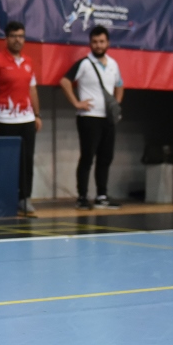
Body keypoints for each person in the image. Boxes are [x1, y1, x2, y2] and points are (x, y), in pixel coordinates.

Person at [58, 26, 124, 211]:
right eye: (95, 42)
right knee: (87, 157)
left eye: (102, 41)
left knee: (106, 157)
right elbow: (64, 81)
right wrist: (76, 103)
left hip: (108, 118)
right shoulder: (84, 64)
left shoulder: (113, 64)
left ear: (108, 43)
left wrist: (116, 104)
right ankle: (82, 197)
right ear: (90, 43)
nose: (98, 45)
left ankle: (102, 196)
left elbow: (120, 84)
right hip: (89, 117)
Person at [0, 21, 41, 216]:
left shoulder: (28, 61)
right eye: (14, 36)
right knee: (5, 163)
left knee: (27, 161)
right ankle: (4, 201)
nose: (18, 40)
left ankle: (25, 200)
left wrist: (37, 115)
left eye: (21, 36)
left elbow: (32, 90)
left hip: (27, 120)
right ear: (7, 38)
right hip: (4, 121)